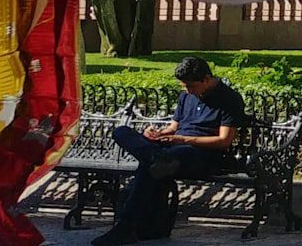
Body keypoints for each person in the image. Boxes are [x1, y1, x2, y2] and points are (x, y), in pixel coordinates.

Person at [93, 57, 246, 246]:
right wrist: (156, 134)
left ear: (206, 79)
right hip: (172, 150)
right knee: (122, 132)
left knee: (153, 167)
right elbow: (174, 127)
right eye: (184, 86)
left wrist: (182, 139)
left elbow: (223, 141)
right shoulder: (187, 95)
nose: (187, 91)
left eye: (191, 86)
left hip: (201, 154)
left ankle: (125, 227)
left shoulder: (229, 99)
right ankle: (154, 156)